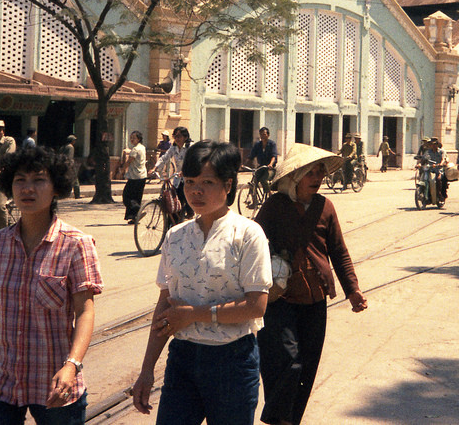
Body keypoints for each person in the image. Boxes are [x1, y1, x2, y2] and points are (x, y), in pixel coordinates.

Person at [131, 141, 271, 425]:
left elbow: (257, 306)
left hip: (232, 361)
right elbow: (164, 305)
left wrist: (194, 315)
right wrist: (147, 369)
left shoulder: (247, 234)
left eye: (207, 182)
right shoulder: (176, 236)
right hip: (182, 358)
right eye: (190, 181)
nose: (196, 190)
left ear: (228, 185)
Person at [0, 145, 103, 424]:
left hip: (56, 380)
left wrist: (72, 366)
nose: (27, 189)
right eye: (20, 180)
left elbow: (85, 312)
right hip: (2, 377)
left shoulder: (76, 244)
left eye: (38, 180)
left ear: (56, 188)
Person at [254, 143, 368, 425]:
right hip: (279, 298)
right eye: (310, 172)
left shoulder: (325, 206)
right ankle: (278, 418)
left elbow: (339, 251)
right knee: (286, 361)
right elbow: (251, 243)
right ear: (294, 176)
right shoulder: (274, 206)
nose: (318, 178)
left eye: (320, 172)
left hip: (315, 297)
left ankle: (290, 420)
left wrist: (352, 290)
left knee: (306, 366)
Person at [150, 126, 192, 219]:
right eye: (175, 136)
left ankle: (189, 215)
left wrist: (184, 171)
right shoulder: (174, 148)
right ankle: (173, 224)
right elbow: (165, 157)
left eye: (179, 136)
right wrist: (155, 168)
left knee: (187, 200)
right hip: (177, 178)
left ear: (185, 137)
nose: (177, 139)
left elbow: (193, 162)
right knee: (173, 201)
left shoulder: (190, 148)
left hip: (189, 178)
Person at [121, 131, 147, 223]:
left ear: (139, 139)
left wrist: (122, 170)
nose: (131, 139)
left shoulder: (135, 149)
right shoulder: (142, 147)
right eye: (131, 137)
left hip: (135, 177)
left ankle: (139, 210)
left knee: (126, 196)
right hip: (142, 176)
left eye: (134, 138)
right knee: (136, 198)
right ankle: (134, 218)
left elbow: (129, 161)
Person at [248, 127, 279, 195]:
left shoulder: (272, 144)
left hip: (270, 168)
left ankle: (270, 195)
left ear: (268, 135)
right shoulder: (258, 145)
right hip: (261, 167)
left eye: (264, 134)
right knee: (254, 181)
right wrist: (244, 164)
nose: (262, 136)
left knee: (264, 180)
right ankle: (254, 200)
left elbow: (274, 156)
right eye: (261, 134)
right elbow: (252, 155)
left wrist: (270, 164)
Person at [422, 137, 449, 202]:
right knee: (425, 179)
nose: (433, 145)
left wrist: (441, 164)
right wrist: (420, 164)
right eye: (432, 144)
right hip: (430, 169)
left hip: (439, 169)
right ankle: (426, 195)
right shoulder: (428, 151)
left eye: (435, 144)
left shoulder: (441, 151)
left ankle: (439, 194)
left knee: (438, 179)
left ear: (437, 144)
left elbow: (443, 159)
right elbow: (424, 159)